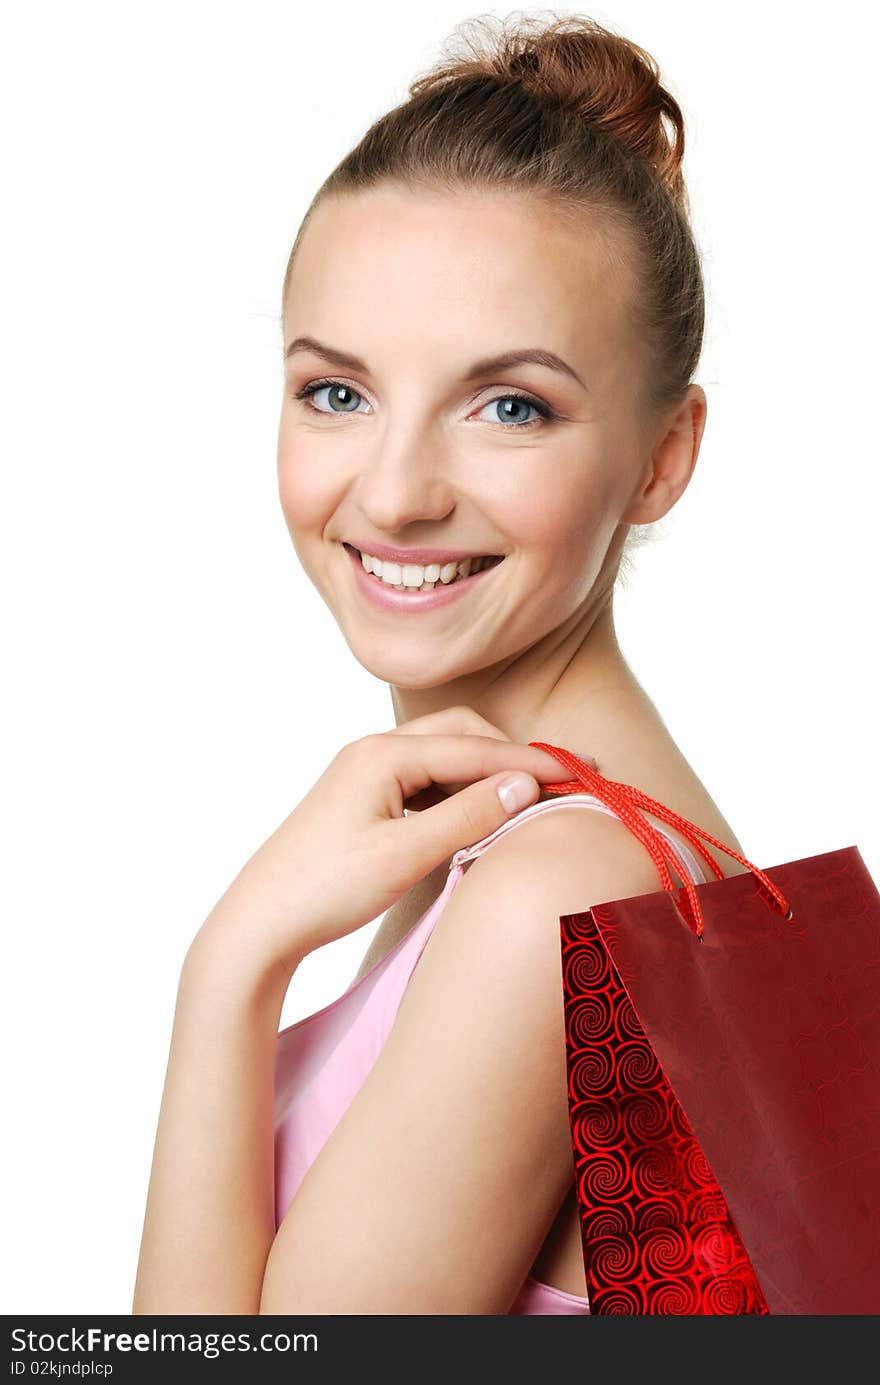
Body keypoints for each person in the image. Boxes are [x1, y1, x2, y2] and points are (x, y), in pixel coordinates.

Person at [132, 11, 749, 1315]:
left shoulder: (556, 896)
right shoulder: (552, 845)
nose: (396, 493)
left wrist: (231, 967)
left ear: (662, 456)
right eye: (337, 392)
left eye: (508, 405)